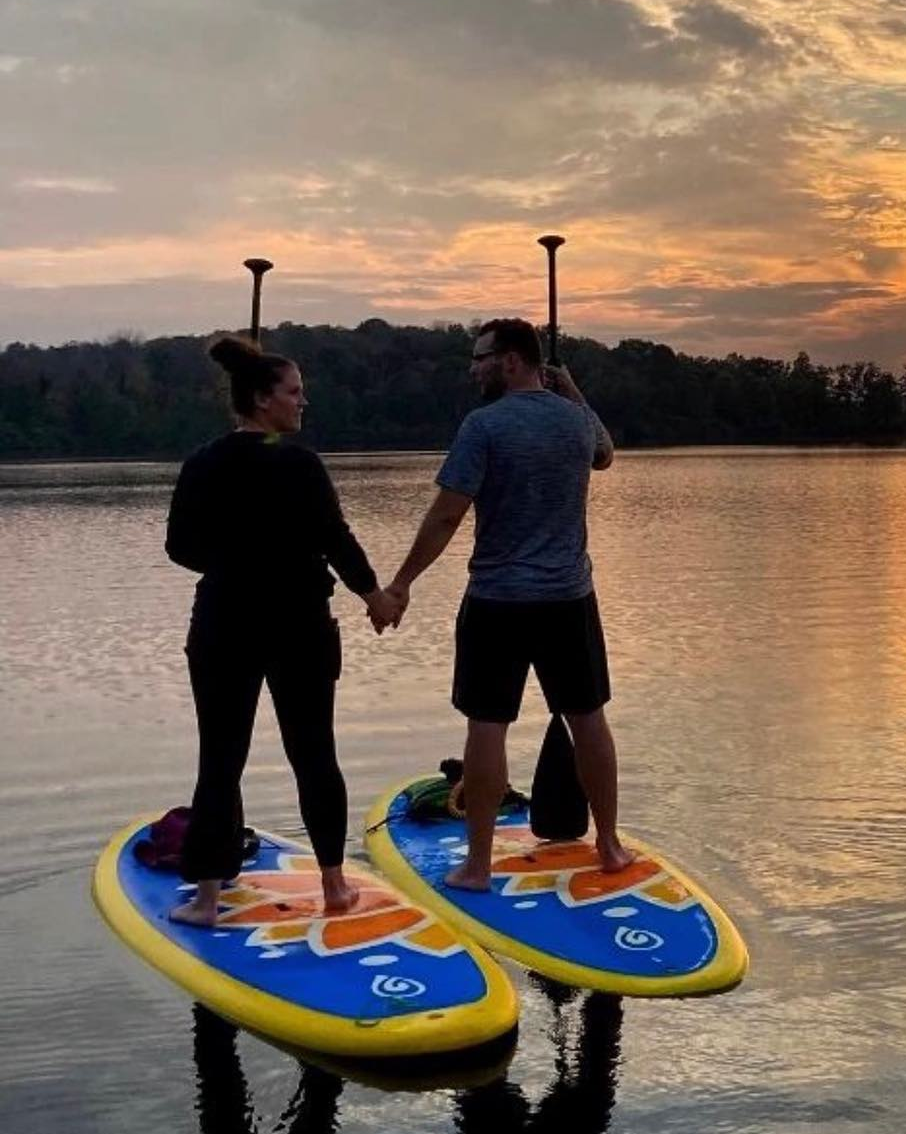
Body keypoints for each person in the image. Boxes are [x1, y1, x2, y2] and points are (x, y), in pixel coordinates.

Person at [385, 317, 633, 891]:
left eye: (481, 357)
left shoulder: (484, 426)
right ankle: (610, 845)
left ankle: (477, 867)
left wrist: (400, 585)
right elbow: (605, 453)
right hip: (569, 598)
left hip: (498, 601)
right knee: (588, 719)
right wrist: (572, 392)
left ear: (514, 360)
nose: (473, 368)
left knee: (488, 727)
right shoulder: (577, 422)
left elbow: (447, 513)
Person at [164, 334, 401, 926]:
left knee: (221, 759)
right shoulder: (299, 463)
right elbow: (335, 539)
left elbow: (180, 548)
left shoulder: (205, 461)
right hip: (300, 626)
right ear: (263, 399)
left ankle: (209, 899)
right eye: (294, 392)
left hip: (224, 624)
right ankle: (335, 888)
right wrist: (374, 596)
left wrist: (232, 563)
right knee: (314, 753)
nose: (302, 402)